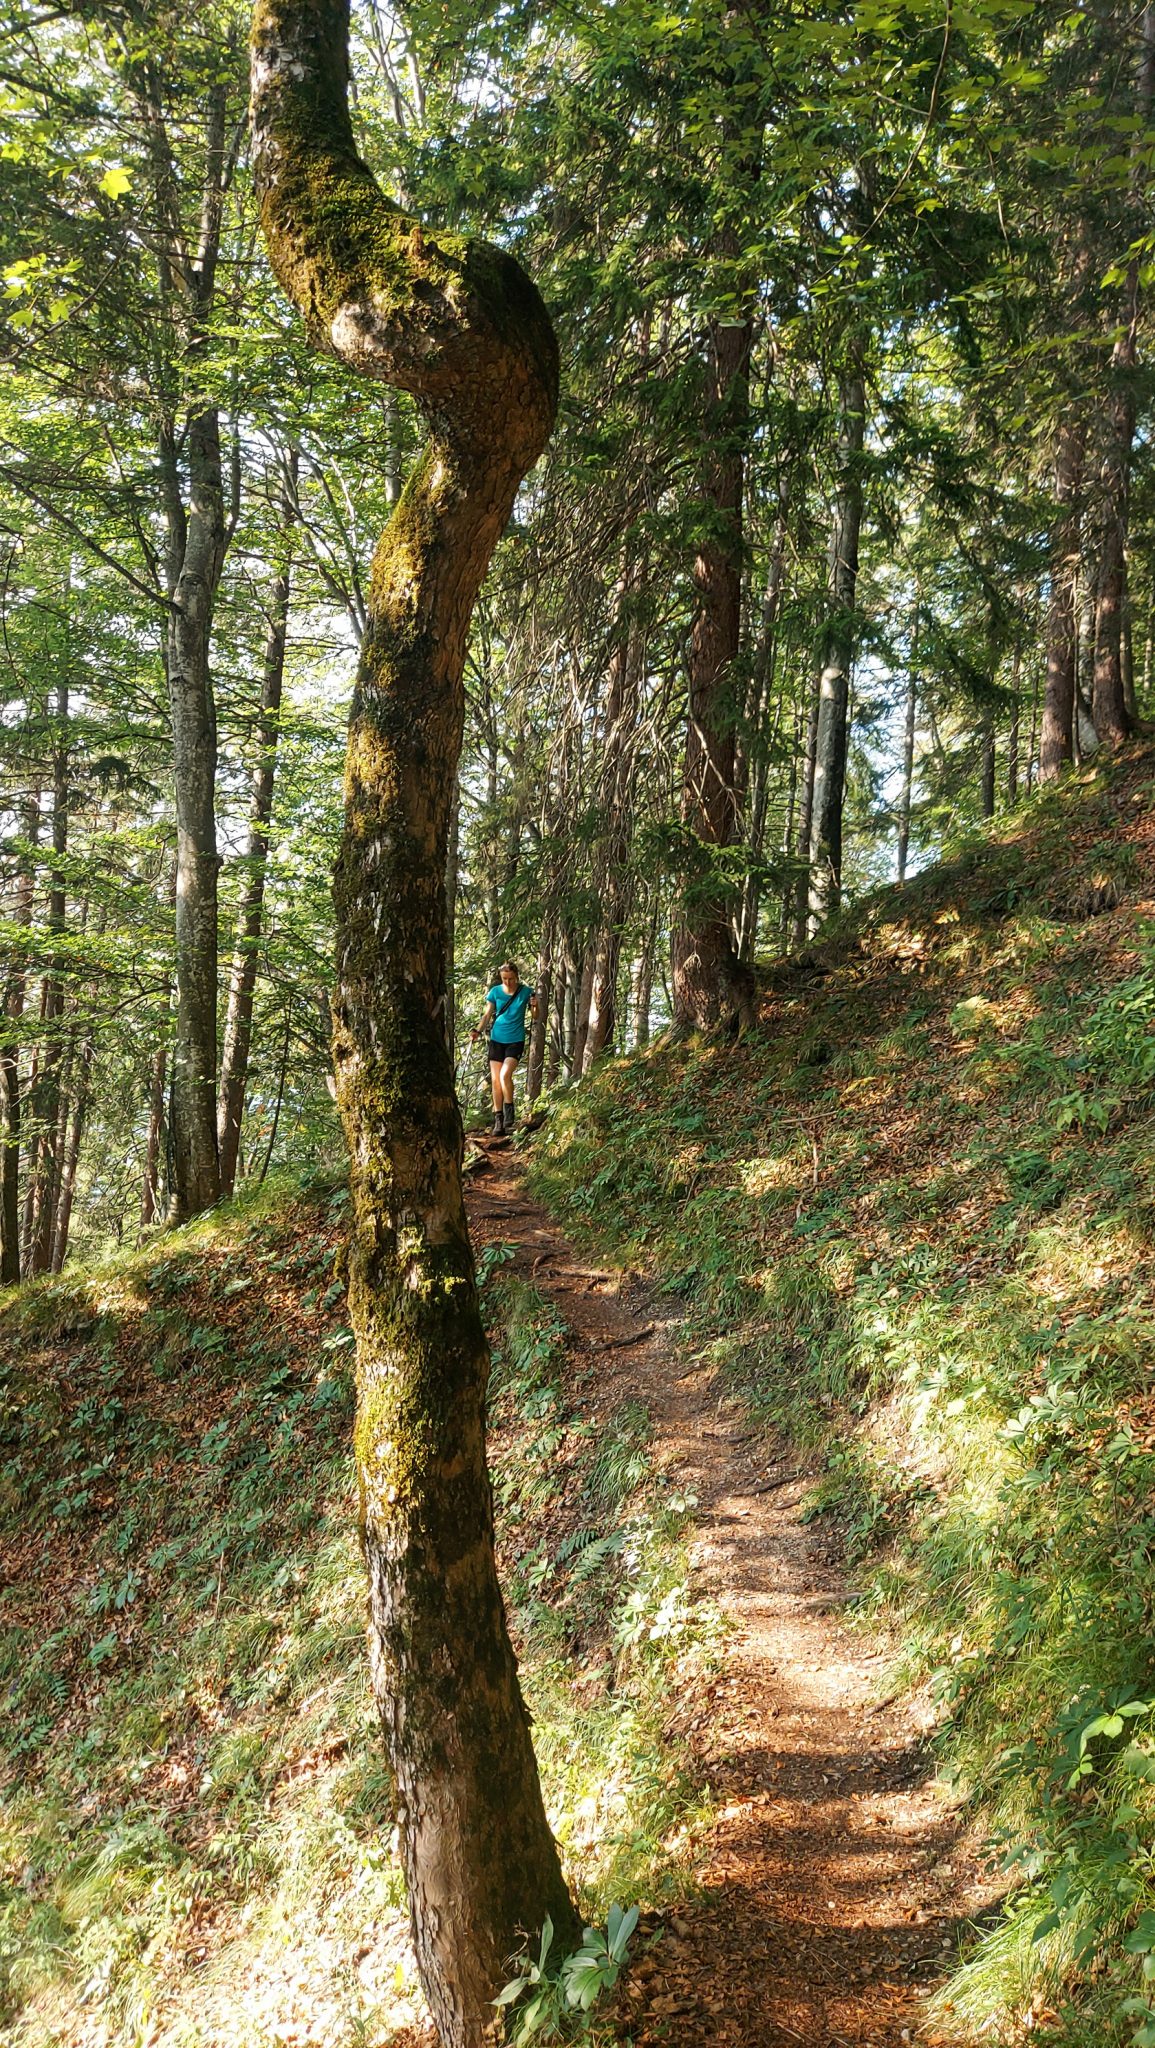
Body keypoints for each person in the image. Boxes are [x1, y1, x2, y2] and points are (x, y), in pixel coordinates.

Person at [472, 961, 536, 1136]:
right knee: (495, 1080)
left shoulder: (525, 992)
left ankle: (509, 1115)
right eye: (504, 978)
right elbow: (487, 1014)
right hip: (496, 1039)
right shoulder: (495, 992)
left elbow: (535, 1015)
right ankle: (498, 1121)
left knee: (504, 1075)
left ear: (516, 976)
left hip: (515, 1040)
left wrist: (535, 1004)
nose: (507, 982)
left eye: (510, 978)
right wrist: (477, 1030)